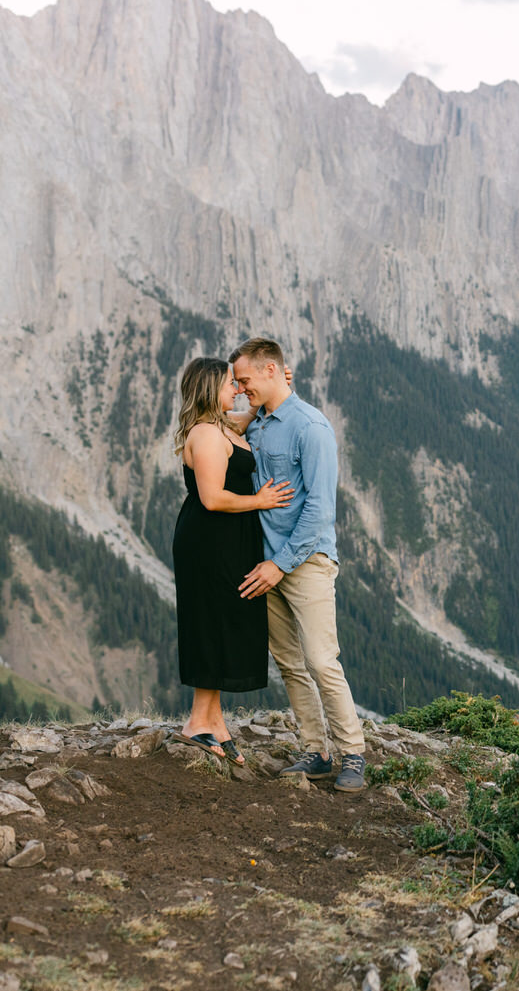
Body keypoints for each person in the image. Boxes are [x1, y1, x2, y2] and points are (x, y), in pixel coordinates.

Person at [230, 337, 368, 793]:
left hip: (304, 561)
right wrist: (255, 404)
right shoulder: (258, 425)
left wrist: (279, 565)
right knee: (288, 662)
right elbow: (217, 425)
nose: (239, 387)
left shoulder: (312, 427)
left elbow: (319, 511)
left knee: (320, 660)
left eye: (245, 380)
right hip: (265, 562)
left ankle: (353, 754)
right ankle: (316, 751)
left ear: (271, 371)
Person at [171, 357, 294, 764]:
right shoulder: (206, 434)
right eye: (230, 383)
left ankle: (211, 721)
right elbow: (212, 497)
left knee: (221, 621)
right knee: (213, 622)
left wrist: (271, 392)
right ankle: (198, 723)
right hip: (210, 541)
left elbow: (246, 420)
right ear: (210, 388)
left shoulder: (223, 425)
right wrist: (259, 500)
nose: (237, 389)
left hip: (229, 538)